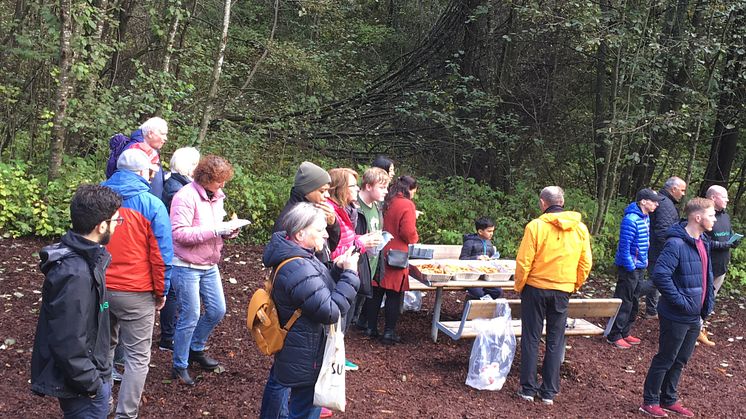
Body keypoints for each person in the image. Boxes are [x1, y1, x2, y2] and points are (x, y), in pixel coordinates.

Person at [259, 203, 360, 419]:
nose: (325, 234)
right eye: (320, 229)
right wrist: (351, 275)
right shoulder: (297, 266)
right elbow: (330, 311)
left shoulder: (301, 256)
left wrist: (336, 269)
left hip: (302, 348)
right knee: (304, 413)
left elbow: (315, 290)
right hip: (306, 355)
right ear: (300, 233)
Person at [30, 185, 122, 419]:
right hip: (83, 387)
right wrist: (92, 385)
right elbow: (67, 340)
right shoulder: (76, 274)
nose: (117, 225)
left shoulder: (89, 259)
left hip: (94, 375)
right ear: (101, 226)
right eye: (115, 220)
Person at [102, 148, 173, 418]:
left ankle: (102, 405)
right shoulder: (152, 204)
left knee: (104, 349)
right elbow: (162, 255)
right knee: (137, 357)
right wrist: (161, 291)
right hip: (137, 292)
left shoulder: (95, 198)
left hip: (101, 289)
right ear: (144, 173)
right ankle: (125, 414)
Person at [514, 186, 592, 405]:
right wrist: (573, 284)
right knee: (555, 339)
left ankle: (528, 389)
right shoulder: (580, 229)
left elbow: (524, 261)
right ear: (563, 201)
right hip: (562, 290)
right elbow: (585, 263)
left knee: (530, 337)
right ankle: (548, 392)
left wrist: (519, 285)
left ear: (542, 203)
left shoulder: (535, 226)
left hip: (535, 288)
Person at [639, 198, 716, 418]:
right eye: (711, 215)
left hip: (694, 315)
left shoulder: (704, 242)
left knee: (681, 359)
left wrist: (705, 307)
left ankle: (668, 399)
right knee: (666, 357)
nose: (714, 219)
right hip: (676, 313)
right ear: (697, 217)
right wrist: (681, 301)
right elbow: (660, 275)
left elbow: (706, 277)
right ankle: (650, 401)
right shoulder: (676, 244)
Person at [169, 155, 236, 385]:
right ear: (206, 178)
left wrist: (228, 231)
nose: (223, 185)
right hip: (186, 265)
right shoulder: (184, 197)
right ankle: (179, 365)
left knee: (218, 310)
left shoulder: (217, 197)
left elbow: (215, 228)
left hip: (209, 264)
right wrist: (216, 230)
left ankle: (195, 348)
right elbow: (179, 234)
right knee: (190, 315)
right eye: (219, 181)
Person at [606, 188, 663, 349]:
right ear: (643, 201)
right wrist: (631, 267)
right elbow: (624, 247)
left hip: (640, 266)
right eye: (653, 201)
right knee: (624, 300)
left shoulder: (646, 218)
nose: (656, 204)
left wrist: (642, 263)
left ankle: (625, 331)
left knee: (635, 300)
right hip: (629, 267)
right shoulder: (630, 219)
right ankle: (614, 335)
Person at [366, 176, 419, 344]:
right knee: (394, 295)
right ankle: (389, 332)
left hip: (379, 250)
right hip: (396, 254)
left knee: (376, 291)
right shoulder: (407, 204)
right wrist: (415, 237)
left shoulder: (384, 200)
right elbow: (408, 232)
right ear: (410, 190)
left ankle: (370, 327)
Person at [158, 147, 201, 352]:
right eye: (195, 164)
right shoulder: (176, 188)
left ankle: (170, 335)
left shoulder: (179, 184)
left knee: (173, 293)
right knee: (172, 293)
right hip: (174, 244)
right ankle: (168, 337)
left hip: (173, 244)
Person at [273, 161, 341, 266]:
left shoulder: (316, 211)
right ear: (307, 190)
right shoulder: (291, 219)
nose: (327, 195)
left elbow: (330, 247)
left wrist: (332, 224)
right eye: (322, 191)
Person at [701, 185, 740, 345]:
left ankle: (700, 326)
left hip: (721, 266)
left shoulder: (725, 216)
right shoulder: (703, 215)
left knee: (711, 299)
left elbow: (728, 234)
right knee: (702, 299)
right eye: (724, 197)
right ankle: (695, 330)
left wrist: (733, 240)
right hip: (706, 266)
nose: (727, 200)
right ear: (713, 198)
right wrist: (722, 245)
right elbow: (701, 242)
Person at [643, 177, 687, 320]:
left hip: (655, 249)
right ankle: (633, 297)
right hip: (658, 250)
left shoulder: (663, 201)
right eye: (682, 190)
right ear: (673, 189)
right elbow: (663, 231)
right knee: (656, 280)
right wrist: (668, 251)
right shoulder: (666, 204)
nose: (683, 194)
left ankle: (651, 309)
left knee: (656, 279)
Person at [353, 167, 390, 331]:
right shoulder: (354, 206)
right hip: (354, 267)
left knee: (355, 314)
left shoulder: (377, 206)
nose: (386, 192)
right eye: (382, 187)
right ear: (368, 186)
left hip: (370, 266)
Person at [460, 216, 503, 300]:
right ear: (480, 231)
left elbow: (491, 259)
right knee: (479, 293)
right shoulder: (469, 242)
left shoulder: (489, 243)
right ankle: (472, 306)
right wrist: (477, 258)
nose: (491, 233)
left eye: (492, 231)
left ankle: (485, 307)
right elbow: (462, 259)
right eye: (489, 231)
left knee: (498, 291)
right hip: (470, 277)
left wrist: (492, 260)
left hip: (485, 277)